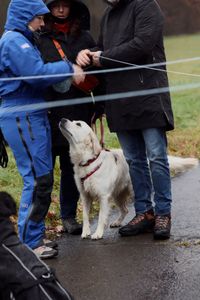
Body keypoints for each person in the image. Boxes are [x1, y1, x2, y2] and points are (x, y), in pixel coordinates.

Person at [76, 0, 174, 240]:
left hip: (148, 95)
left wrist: (103, 57)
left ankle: (163, 212)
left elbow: (142, 44)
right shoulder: (109, 15)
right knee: (133, 160)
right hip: (119, 100)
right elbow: (102, 48)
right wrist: (87, 55)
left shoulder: (146, 5)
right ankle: (144, 212)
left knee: (156, 157)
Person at [0, 0, 85, 259]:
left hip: (32, 114)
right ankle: (28, 245)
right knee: (37, 180)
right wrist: (68, 67)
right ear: (25, 16)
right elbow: (36, 73)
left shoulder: (23, 40)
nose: (41, 22)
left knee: (43, 178)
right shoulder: (14, 41)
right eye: (37, 17)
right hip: (22, 115)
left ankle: (33, 236)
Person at [37, 0, 104, 234]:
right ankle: (38, 220)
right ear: (49, 9)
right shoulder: (39, 38)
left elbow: (100, 73)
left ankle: (68, 216)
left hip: (77, 113)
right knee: (43, 168)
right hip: (46, 110)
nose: (61, 10)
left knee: (70, 166)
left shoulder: (85, 38)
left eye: (65, 5)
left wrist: (100, 106)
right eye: (56, 6)